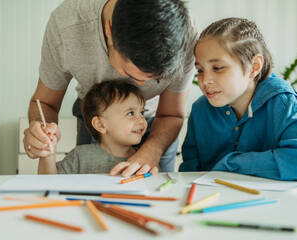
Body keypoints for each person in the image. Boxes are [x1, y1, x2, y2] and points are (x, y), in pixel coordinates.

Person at [23, 0, 199, 177]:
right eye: (130, 73)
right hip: (97, 112)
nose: (142, 88)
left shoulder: (185, 34)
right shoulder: (66, 26)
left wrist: (153, 150)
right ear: (109, 32)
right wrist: (40, 134)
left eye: (157, 80)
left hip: (160, 124)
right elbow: (45, 102)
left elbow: (171, 113)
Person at [179, 17, 297, 182]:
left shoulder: (283, 103)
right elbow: (188, 175)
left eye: (218, 68)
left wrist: (231, 165)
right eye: (200, 70)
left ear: (254, 67)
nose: (204, 80)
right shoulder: (200, 110)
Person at [38, 80, 147, 174]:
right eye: (130, 113)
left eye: (142, 112)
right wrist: (48, 155)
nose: (141, 120)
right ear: (100, 125)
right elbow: (50, 182)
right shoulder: (80, 157)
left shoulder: (144, 159)